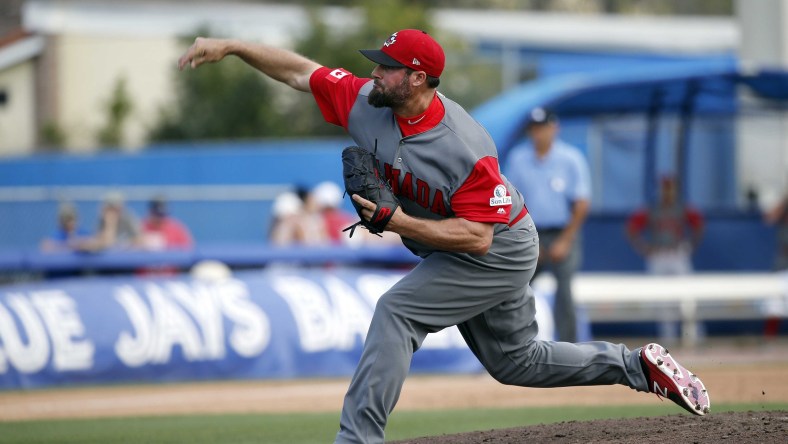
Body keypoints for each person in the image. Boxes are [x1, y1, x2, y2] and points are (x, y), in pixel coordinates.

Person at [179, 29, 710, 443]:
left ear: (416, 79)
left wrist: (398, 224)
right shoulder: (367, 102)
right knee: (516, 362)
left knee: (397, 311)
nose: (374, 72)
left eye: (386, 67)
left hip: (499, 248)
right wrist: (233, 46)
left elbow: (479, 238)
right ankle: (635, 366)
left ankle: (357, 438)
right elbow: (303, 73)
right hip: (462, 242)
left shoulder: (465, 146)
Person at [504, 108, 591, 343]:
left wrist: (564, 240)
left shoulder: (570, 158)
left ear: (554, 128)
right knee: (516, 284)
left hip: (564, 232)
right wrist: (527, 238)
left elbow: (581, 203)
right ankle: (513, 341)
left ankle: (570, 346)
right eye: (534, 129)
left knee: (564, 291)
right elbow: (511, 201)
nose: (538, 133)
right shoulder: (518, 158)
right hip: (530, 231)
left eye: (542, 128)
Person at [626, 176, 704, 275]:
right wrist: (644, 248)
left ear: (675, 190)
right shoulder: (651, 209)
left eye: (670, 188)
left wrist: (690, 245)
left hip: (677, 254)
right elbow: (631, 229)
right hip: (658, 254)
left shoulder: (683, 208)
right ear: (660, 190)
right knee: (656, 288)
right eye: (665, 188)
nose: (668, 192)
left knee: (685, 288)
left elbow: (699, 226)